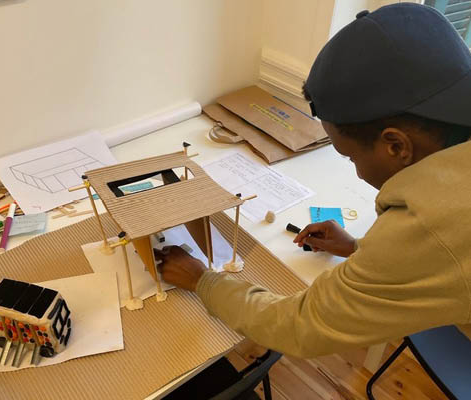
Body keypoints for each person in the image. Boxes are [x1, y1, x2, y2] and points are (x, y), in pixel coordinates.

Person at [156, 3, 471, 358]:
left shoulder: (434, 224)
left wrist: (202, 279)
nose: (358, 173)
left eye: (351, 157)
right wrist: (363, 250)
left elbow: (300, 327)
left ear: (396, 145)